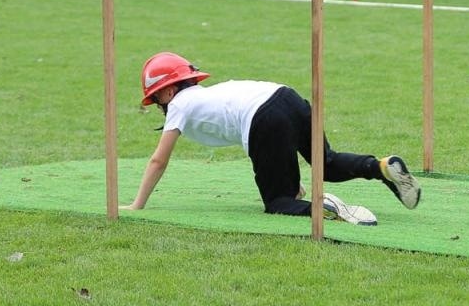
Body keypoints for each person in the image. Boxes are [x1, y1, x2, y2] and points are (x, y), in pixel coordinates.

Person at [125, 51, 421, 222]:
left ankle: (327, 207)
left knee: (278, 202)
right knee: (326, 163)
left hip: (263, 117)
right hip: (287, 97)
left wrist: (138, 204)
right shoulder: (206, 96)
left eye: (156, 98)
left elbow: (158, 161)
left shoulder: (179, 103)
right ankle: (381, 167)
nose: (159, 105)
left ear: (166, 90)